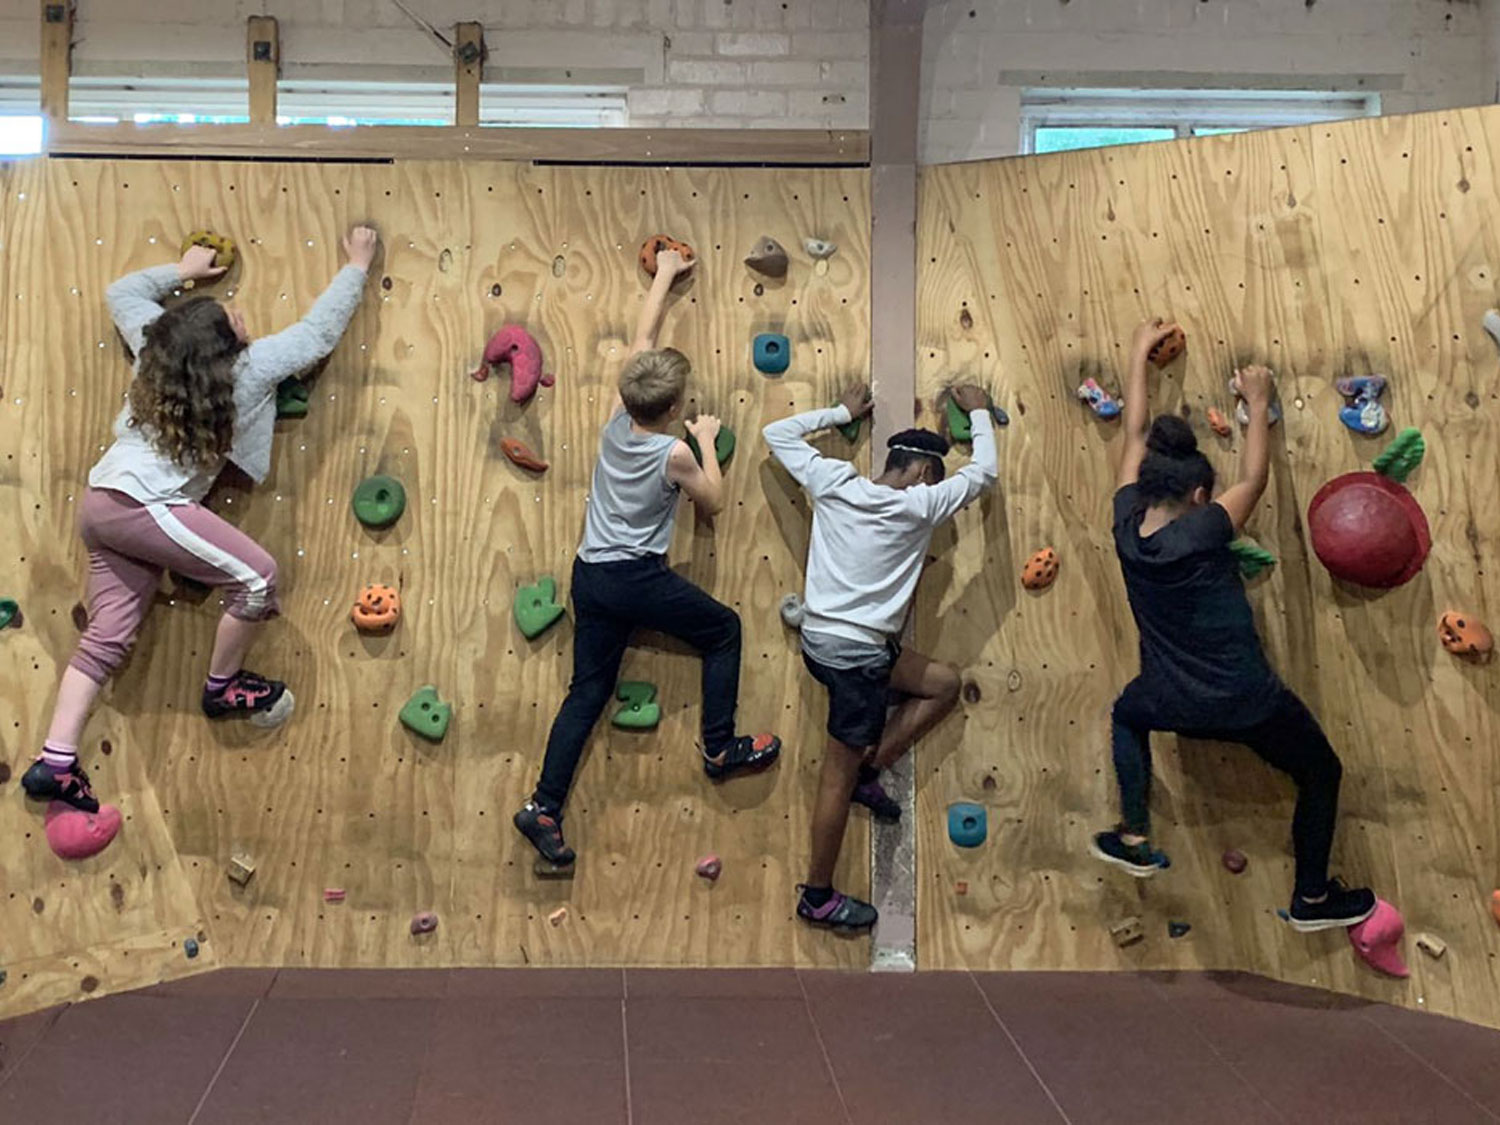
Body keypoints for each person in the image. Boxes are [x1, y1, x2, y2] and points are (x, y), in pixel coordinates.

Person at [21, 226, 378, 818]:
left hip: (102, 501)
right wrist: (358, 266)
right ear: (226, 350)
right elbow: (316, 335)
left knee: (105, 639)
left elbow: (122, 292)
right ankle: (222, 686)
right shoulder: (251, 370)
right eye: (230, 317)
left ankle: (56, 760)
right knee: (259, 579)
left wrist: (183, 270)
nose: (239, 313)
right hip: (147, 507)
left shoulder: (152, 346)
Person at [1092, 317, 1376, 932]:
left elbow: (1136, 432)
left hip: (1169, 701)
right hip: (1245, 700)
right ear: (1200, 496)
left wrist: (1138, 355)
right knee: (1321, 772)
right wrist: (1258, 401)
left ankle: (1135, 833)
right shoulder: (1204, 530)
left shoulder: (1124, 526)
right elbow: (1254, 478)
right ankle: (1313, 897)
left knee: (1127, 712)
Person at [513, 247, 781, 869]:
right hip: (635, 578)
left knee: (589, 690)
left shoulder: (615, 419)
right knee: (726, 630)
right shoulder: (672, 454)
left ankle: (544, 805)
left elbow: (643, 335)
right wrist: (708, 441)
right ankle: (719, 748)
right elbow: (711, 501)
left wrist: (663, 273)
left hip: (591, 576)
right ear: (674, 409)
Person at [765, 383, 998, 930]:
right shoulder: (920, 506)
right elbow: (984, 472)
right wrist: (981, 413)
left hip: (823, 643)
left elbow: (777, 434)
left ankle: (872, 766)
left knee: (943, 682)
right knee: (834, 782)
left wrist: (842, 414)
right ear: (922, 473)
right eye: (934, 478)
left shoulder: (833, 481)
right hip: (859, 658)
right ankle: (817, 895)